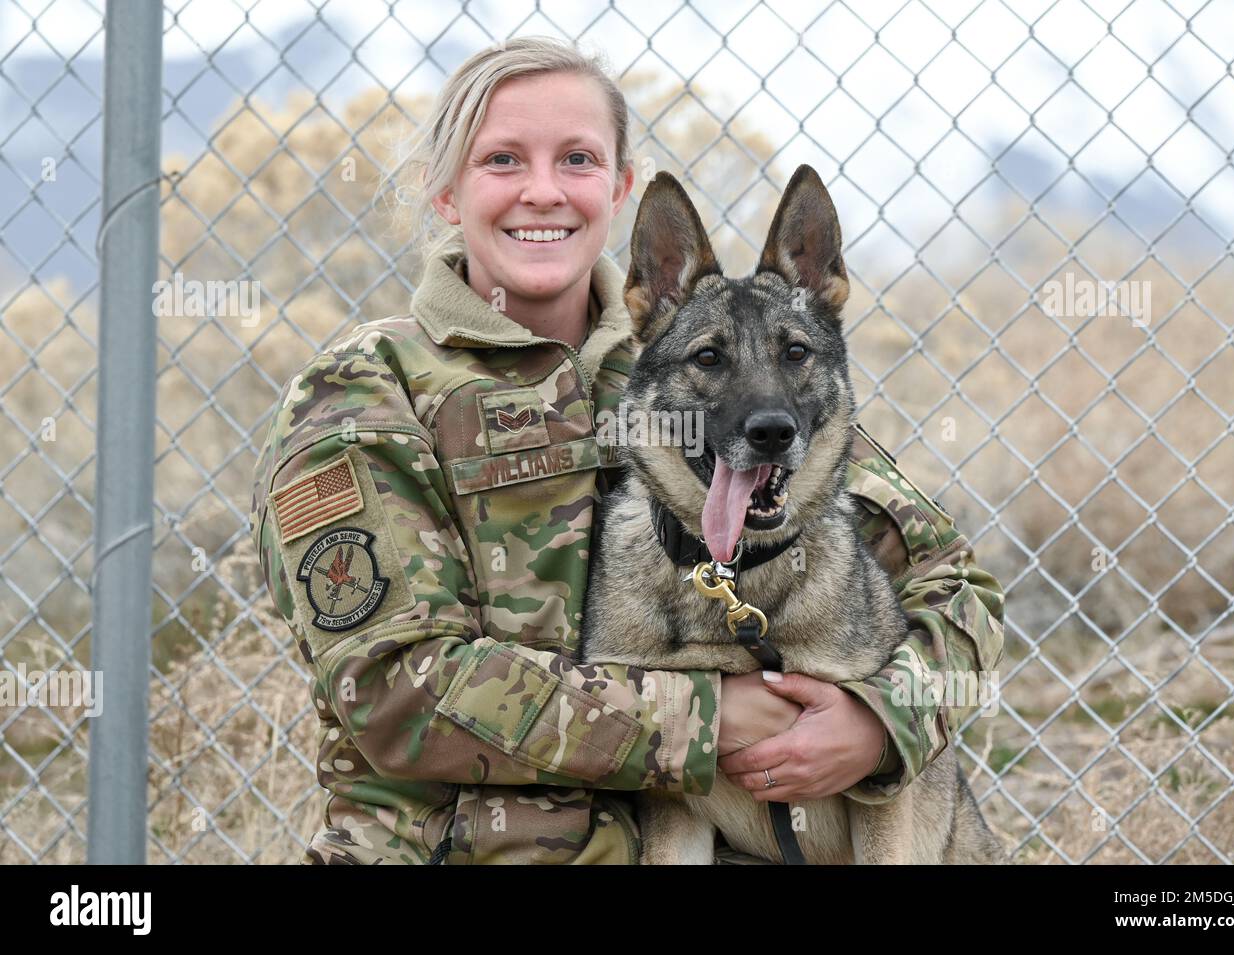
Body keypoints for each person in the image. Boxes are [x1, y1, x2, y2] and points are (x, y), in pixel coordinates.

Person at [249, 36, 1006, 864]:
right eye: (503, 159)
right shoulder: (365, 393)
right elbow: (396, 693)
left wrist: (878, 721)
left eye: (575, 158)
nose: (543, 191)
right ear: (445, 191)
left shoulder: (703, 368)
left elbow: (954, 585)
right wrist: (707, 720)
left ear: (617, 187)